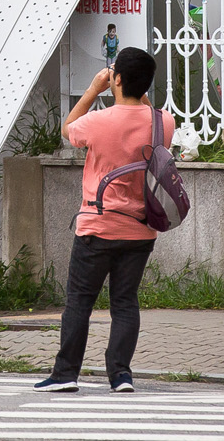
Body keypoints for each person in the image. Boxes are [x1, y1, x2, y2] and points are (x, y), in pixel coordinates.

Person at [35, 46, 172, 394]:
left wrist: (95, 89)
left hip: (98, 227)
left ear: (117, 78)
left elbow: (68, 130)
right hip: (141, 229)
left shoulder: (96, 123)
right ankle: (121, 375)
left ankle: (66, 373)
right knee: (125, 302)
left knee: (80, 300)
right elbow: (142, 120)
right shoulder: (163, 122)